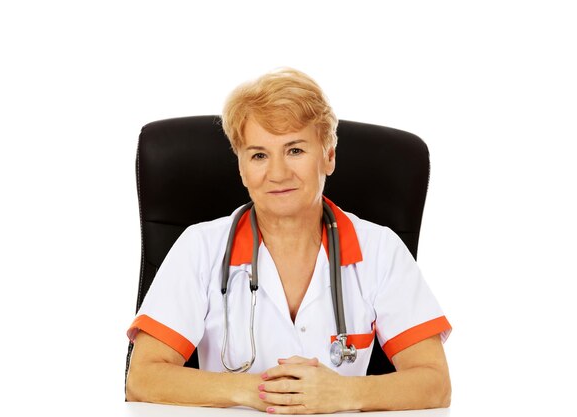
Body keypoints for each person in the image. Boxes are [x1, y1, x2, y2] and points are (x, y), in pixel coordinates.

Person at [125, 68, 452, 414]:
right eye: (259, 155)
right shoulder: (200, 247)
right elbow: (142, 378)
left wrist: (343, 393)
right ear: (241, 167)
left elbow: (435, 383)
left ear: (328, 156)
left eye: (295, 150)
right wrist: (258, 390)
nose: (278, 173)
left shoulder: (379, 250)